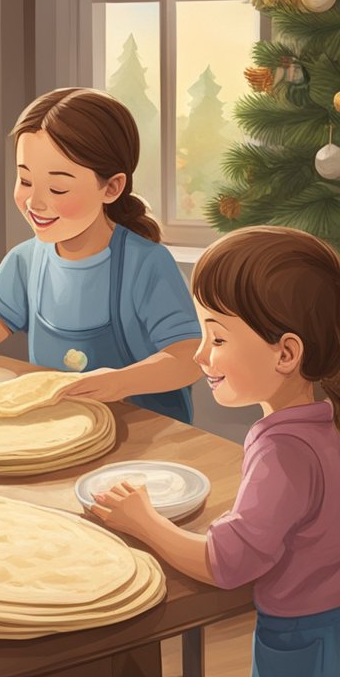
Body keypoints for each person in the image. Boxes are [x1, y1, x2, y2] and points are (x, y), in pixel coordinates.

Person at [91, 226, 340, 677]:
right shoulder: (325, 422)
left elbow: (227, 564)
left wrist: (143, 521)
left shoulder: (283, 450)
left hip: (303, 639)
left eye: (218, 339)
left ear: (286, 353)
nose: (202, 355)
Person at [0, 88, 201, 423]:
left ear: (112, 187)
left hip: (144, 436)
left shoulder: (146, 265)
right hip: (59, 425)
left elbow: (187, 357)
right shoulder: (26, 260)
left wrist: (118, 382)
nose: (35, 202)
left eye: (58, 188)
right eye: (25, 180)